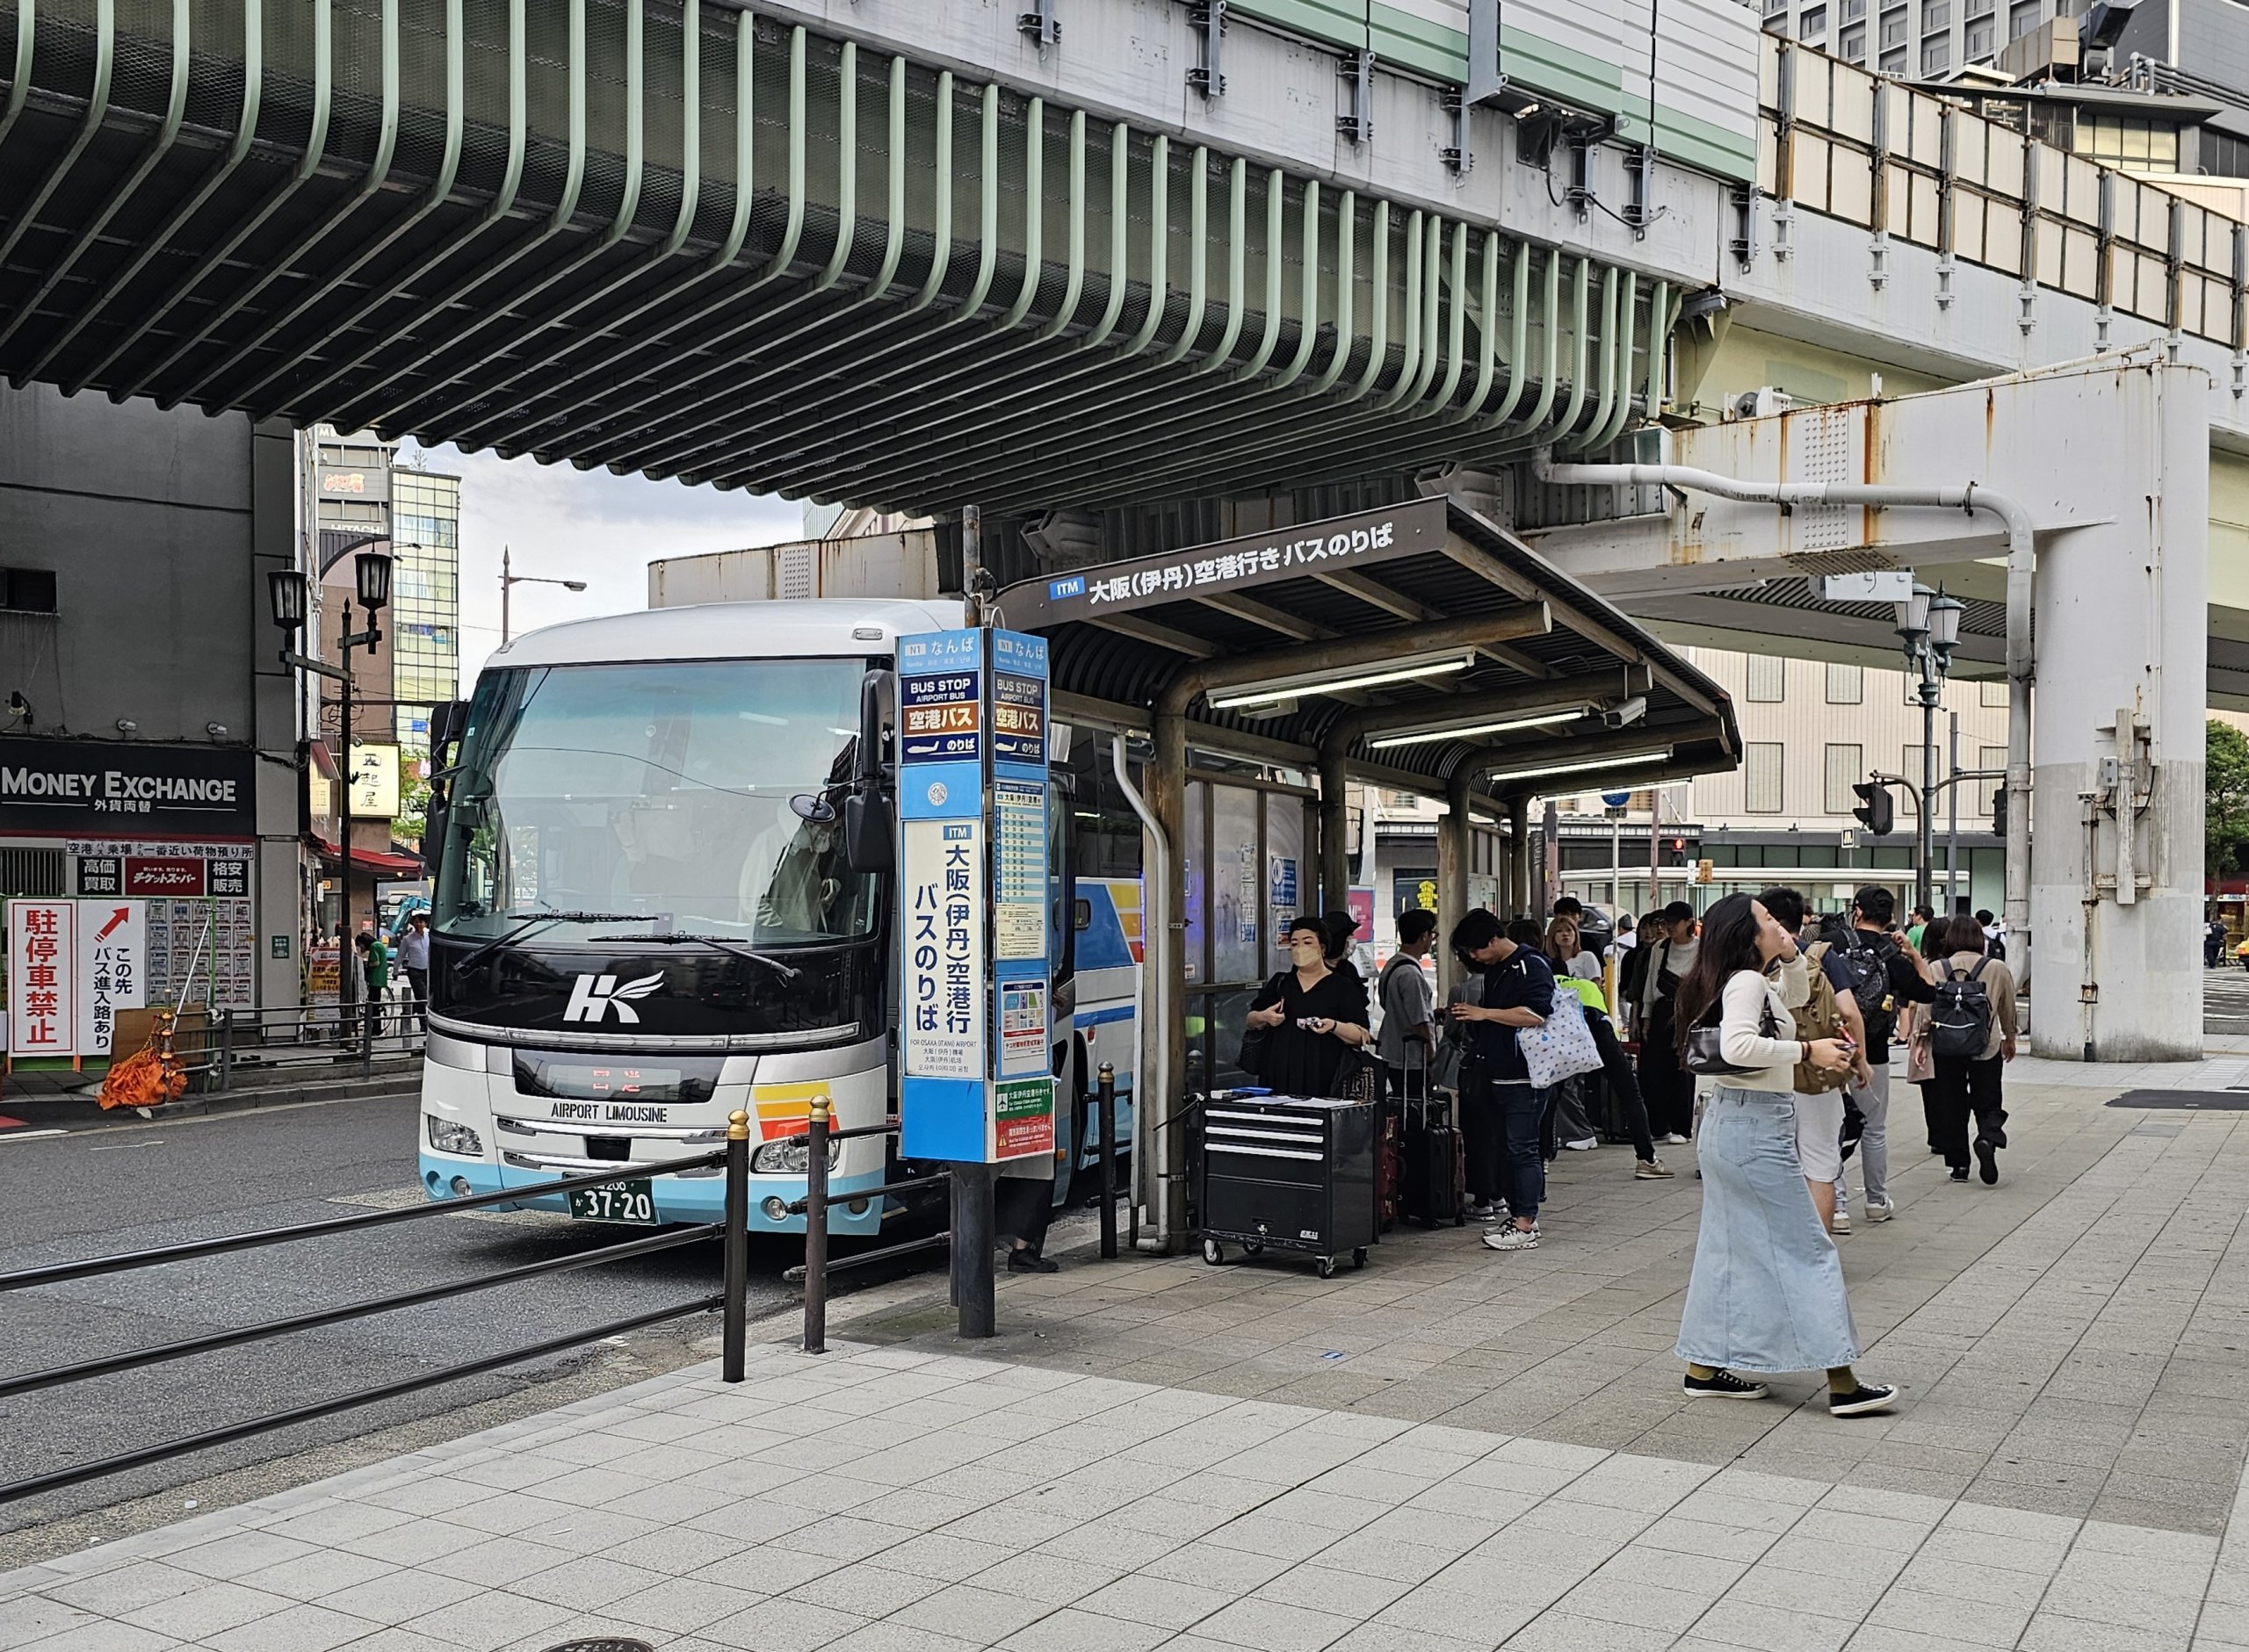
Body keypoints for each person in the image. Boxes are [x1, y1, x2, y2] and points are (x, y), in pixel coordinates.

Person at [1670, 892, 1898, 1417]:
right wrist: (1809, 1050)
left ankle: (1703, 1368)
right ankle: (1842, 1382)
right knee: (1808, 1249)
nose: (1780, 925)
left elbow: (1793, 997)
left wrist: (1793, 956)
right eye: (1768, 919)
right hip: (1755, 1131)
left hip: (1732, 1126)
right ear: (1747, 935)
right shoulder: (1747, 982)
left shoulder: (1744, 979)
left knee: (1726, 1250)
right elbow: (1739, 1046)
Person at [1819, 888, 1934, 1230]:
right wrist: (1912, 953)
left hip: (1832, 1047)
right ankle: (1876, 1200)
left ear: (1857, 911)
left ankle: (1837, 1207)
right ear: (1889, 916)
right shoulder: (1891, 953)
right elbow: (1928, 991)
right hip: (1875, 1054)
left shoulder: (1831, 943)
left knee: (1831, 1129)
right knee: (1874, 1127)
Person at [1759, 887, 1869, 1235]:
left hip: (1770, 1076)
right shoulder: (1821, 955)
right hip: (1819, 1076)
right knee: (1820, 1166)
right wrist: (1859, 1061)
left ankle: (1781, 1244)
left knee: (1775, 1165)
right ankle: (1819, 1251)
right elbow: (1849, 1012)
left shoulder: (1756, 961)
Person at [1448, 910, 1555, 1252]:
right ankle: (1517, 1216)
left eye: (1475, 950)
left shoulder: (1531, 965)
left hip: (1526, 1076)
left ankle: (1526, 1222)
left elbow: (1537, 1013)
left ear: (1493, 940)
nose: (1473, 957)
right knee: (1506, 1149)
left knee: (1523, 1148)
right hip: (1498, 1074)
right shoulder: (1496, 969)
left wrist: (1484, 1014)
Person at [1546, 918, 1672, 1179]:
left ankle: (1542, 1159)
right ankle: (1646, 1159)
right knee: (1629, 1093)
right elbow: (1602, 1009)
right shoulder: (1586, 985)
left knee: (1551, 1098)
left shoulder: (1549, 983)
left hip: (1565, 1039)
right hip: (1599, 1033)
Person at [1929, 914, 2017, 1184]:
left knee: (1951, 1103)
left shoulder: (1937, 967)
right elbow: (2008, 1006)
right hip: (1986, 1044)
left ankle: (1959, 1165)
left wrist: (1920, 1040)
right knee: (1988, 1099)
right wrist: (2010, 1037)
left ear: (1950, 938)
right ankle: (1987, 1138)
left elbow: (1926, 1006)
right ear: (1980, 939)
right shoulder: (1997, 967)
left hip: (1946, 1045)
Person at [1244, 914, 1372, 1096]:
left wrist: (1333, 1026)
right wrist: (1264, 1017)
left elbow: (1362, 1034)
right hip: (1278, 1074)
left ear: (1322, 948)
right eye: (1294, 944)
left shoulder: (1342, 987)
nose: (1300, 949)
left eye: (1307, 942)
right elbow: (1251, 1020)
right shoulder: (1281, 983)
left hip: (1326, 1075)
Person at [1522, 919, 1598, 1155]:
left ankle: (1581, 1132)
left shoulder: (1585, 958)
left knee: (1568, 1085)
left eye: (1569, 930)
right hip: (1558, 1031)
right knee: (1563, 1086)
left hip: (1577, 1026)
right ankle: (1568, 1133)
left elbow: (1595, 990)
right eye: (1559, 931)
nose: (1565, 935)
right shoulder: (1548, 962)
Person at [1635, 902, 1700, 1144]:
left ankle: (1682, 1127)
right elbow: (1651, 985)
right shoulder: (1660, 948)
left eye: (1674, 922)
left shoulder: (1701, 949)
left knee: (1682, 1070)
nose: (1669, 927)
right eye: (1666, 922)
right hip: (1662, 1010)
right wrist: (1646, 1018)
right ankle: (1659, 1125)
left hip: (1689, 1011)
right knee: (1653, 1071)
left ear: (1688, 922)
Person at [1376, 909, 1439, 1104]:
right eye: (1432, 934)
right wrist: (1431, 1057)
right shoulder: (1411, 974)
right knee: (1415, 1108)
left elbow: (1390, 1004)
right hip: (1410, 1058)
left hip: (1391, 1049)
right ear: (1424, 936)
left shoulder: (1392, 964)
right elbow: (1419, 1021)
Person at [354, 929, 390, 1042]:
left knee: (373, 1006)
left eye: (360, 945)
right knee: (375, 1005)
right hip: (380, 979)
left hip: (375, 979)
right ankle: (376, 1029)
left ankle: (376, 1030)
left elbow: (376, 962)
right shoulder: (379, 944)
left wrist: (367, 964)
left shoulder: (374, 947)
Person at [398, 910, 432, 1029]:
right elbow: (400, 955)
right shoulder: (408, 939)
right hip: (414, 971)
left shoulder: (430, 936)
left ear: (425, 923)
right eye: (416, 922)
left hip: (428, 970)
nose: (418, 924)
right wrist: (395, 970)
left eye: (421, 922)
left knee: (425, 997)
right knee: (422, 996)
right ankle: (421, 1020)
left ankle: (414, 1012)